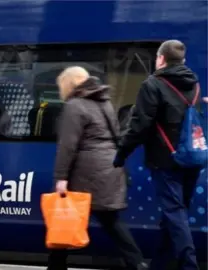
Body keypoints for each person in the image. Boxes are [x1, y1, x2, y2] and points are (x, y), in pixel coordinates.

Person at [114, 40, 203, 270]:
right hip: (192, 158)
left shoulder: (152, 84)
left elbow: (139, 125)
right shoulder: (193, 84)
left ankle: (189, 265)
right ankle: (161, 264)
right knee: (174, 214)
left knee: (174, 212)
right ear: (182, 61)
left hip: (166, 160)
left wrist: (121, 153)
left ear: (161, 59)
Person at [50, 66, 146, 270]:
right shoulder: (104, 102)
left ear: (68, 84)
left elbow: (68, 145)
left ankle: (56, 266)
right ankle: (137, 263)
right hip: (109, 167)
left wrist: (61, 177)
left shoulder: (74, 105)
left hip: (88, 172)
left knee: (64, 218)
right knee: (110, 221)